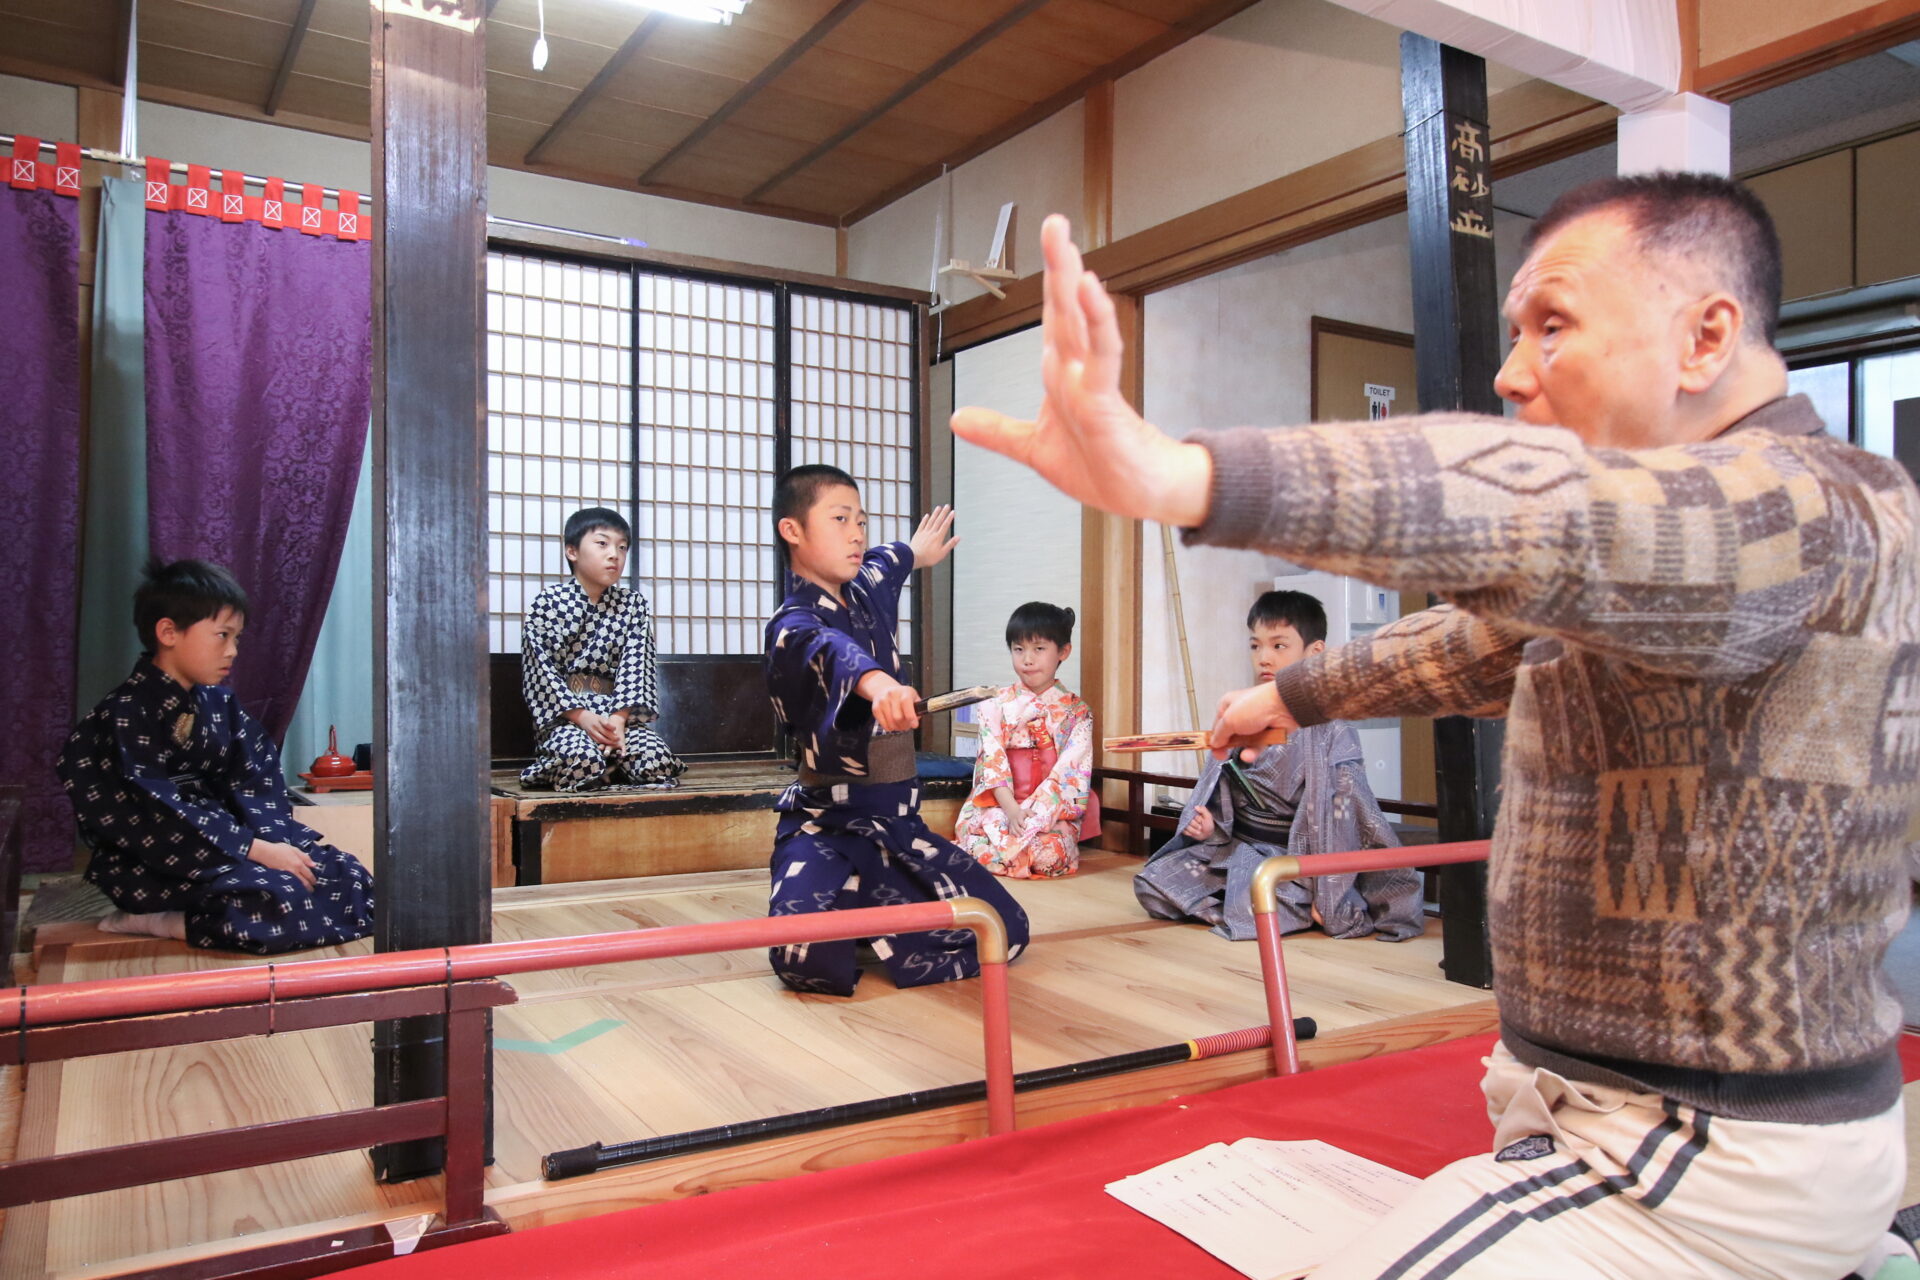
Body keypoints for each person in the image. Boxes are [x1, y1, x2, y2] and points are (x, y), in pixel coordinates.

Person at [952, 180, 1917, 1278]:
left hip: (1702, 1148)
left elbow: (1556, 518)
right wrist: (1290, 696)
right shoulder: (1670, 558)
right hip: (1582, 1104)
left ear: (1705, 336)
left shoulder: (1823, 511)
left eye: (1552, 325)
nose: (1511, 373)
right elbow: (1478, 637)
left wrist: (1186, 476)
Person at [763, 465, 1030, 995]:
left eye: (861, 520)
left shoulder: (864, 588)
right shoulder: (791, 626)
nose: (857, 533)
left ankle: (871, 913)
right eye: (840, 519)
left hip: (896, 828)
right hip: (827, 826)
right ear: (793, 531)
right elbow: (831, 652)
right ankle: (864, 914)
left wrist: (915, 551)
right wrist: (878, 683)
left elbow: (890, 559)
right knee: (802, 959)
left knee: (1005, 931)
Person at [56, 559, 375, 954]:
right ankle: (156, 919)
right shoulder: (123, 714)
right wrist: (255, 851)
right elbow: (155, 810)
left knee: (349, 878)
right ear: (168, 632)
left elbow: (255, 778)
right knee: (272, 901)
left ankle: (234, 893)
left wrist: (275, 844)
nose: (232, 651)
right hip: (157, 859)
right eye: (222, 635)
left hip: (232, 842)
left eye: (237, 638)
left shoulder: (218, 703)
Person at [1133, 589, 1421, 941]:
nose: (1264, 658)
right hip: (1236, 849)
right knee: (1153, 883)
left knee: (1253, 901)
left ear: (1315, 652)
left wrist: (1329, 892)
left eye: (1279, 646)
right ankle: (1254, 909)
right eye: (1256, 646)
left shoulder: (1334, 728)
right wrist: (1210, 828)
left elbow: (1348, 813)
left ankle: (1276, 905)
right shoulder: (1247, 709)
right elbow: (1219, 785)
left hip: (1297, 858)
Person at [520, 507, 684, 792]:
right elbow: (540, 671)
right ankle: (600, 766)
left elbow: (637, 665)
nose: (614, 554)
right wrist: (582, 717)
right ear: (572, 551)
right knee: (579, 757)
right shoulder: (547, 603)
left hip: (615, 717)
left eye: (622, 547)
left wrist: (618, 722)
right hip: (567, 719)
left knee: (655, 759)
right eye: (602, 543)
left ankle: (607, 768)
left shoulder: (633, 605)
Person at [953, 601, 1099, 879]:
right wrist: (1010, 809)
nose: (1027, 659)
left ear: (1063, 652)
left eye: (1039, 649)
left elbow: (1070, 771)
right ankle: (1007, 852)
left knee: (1048, 854)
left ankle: (1010, 856)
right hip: (1000, 803)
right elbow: (991, 763)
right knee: (982, 837)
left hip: (1048, 809)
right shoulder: (995, 705)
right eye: (1018, 649)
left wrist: (1035, 814)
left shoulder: (1077, 712)